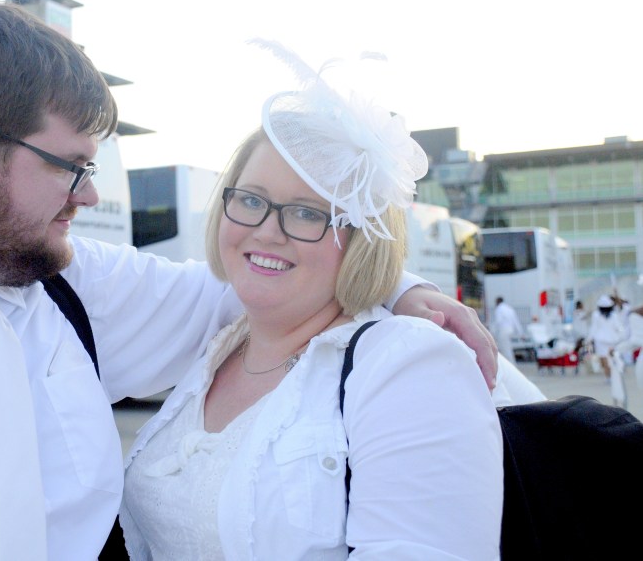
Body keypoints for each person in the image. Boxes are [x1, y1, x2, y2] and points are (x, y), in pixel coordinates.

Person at [0, 0, 497, 560]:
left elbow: (274, 284)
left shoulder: (75, 287)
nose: (90, 195)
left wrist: (397, 287)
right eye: (73, 166)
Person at [120, 45, 504, 559]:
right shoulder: (221, 341)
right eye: (251, 200)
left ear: (363, 237)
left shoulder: (410, 365)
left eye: (306, 213)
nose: (266, 231)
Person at [588, 294, 626, 380]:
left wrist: (589, 339)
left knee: (604, 358)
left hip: (600, 340)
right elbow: (619, 328)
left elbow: (593, 328)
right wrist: (622, 337)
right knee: (612, 357)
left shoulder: (596, 315)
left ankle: (608, 376)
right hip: (612, 339)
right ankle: (613, 374)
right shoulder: (614, 315)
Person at [491, 296, 525, 362]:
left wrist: (493, 332)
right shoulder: (510, 309)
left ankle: (509, 364)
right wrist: (521, 333)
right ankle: (511, 363)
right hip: (510, 330)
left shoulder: (499, 309)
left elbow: (498, 321)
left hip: (503, 331)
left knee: (505, 349)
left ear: (497, 301)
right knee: (508, 348)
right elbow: (516, 322)